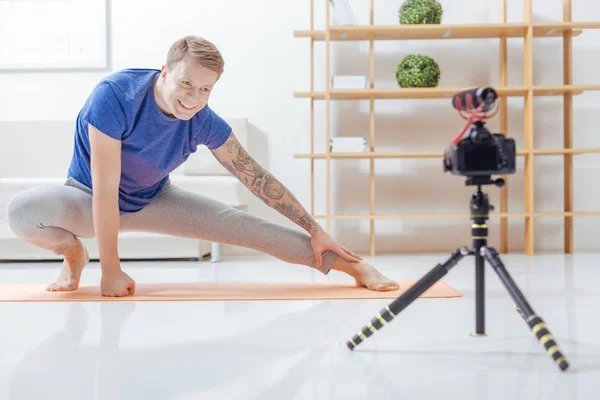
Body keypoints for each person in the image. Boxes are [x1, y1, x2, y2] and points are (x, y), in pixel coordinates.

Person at [5, 35, 399, 297]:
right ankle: (73, 254)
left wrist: (316, 230)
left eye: (206, 89)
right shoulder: (115, 96)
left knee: (247, 227)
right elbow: (106, 191)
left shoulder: (204, 121)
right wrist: (111, 270)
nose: (194, 98)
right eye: (186, 84)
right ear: (164, 73)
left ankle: (357, 270)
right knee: (24, 212)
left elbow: (257, 178)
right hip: (88, 197)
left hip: (154, 199)